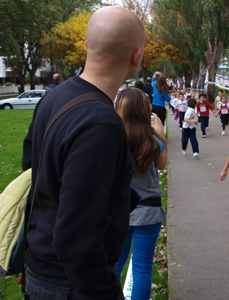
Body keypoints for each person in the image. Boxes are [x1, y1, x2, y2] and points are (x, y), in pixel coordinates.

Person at [21, 6, 145, 299]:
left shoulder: (55, 98)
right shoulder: (100, 124)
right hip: (70, 284)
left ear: (87, 46)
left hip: (41, 267)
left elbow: (31, 166)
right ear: (136, 56)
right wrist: (106, 291)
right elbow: (76, 239)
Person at [114, 88, 167, 300]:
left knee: (115, 264)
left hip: (118, 211)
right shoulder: (152, 140)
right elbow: (161, 164)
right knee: (142, 268)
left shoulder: (112, 137)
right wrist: (160, 131)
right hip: (149, 211)